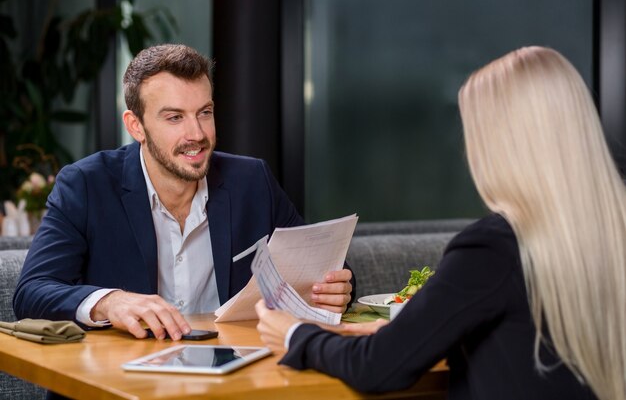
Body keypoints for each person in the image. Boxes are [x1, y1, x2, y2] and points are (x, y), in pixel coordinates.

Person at [255, 46, 626, 400]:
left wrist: (295, 335)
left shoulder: (493, 248)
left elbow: (377, 367)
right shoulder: (610, 231)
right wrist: (401, 331)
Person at [13, 44, 355, 342]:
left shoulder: (252, 180)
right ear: (136, 126)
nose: (197, 134)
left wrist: (335, 289)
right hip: (121, 378)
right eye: (175, 117)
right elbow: (31, 292)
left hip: (234, 375)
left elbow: (318, 264)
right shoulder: (86, 184)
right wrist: (110, 301)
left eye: (204, 113)